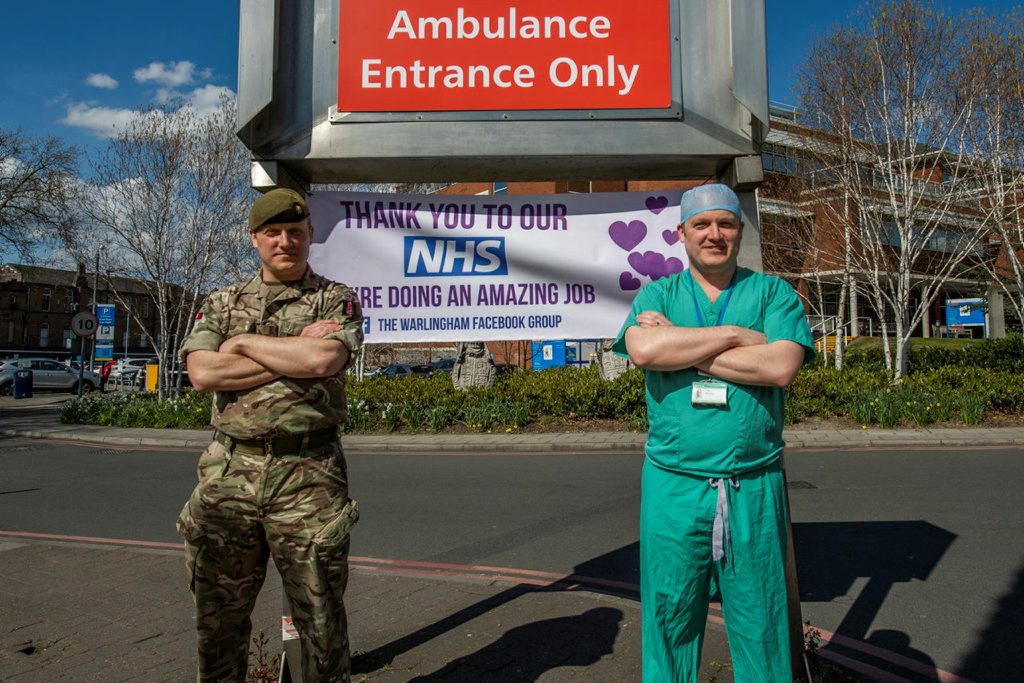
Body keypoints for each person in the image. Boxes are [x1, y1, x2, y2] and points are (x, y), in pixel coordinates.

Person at [613, 184, 814, 682]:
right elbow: (643, 352)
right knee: (669, 617)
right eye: (701, 225)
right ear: (682, 234)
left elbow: (781, 366)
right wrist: (736, 336)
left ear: (740, 232)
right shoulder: (658, 293)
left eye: (725, 224)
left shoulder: (771, 293)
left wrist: (680, 343)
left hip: (752, 486)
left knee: (761, 621)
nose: (714, 234)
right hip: (674, 487)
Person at [177, 187, 364, 682]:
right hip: (228, 476)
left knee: (321, 622)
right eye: (274, 233)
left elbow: (324, 359)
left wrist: (240, 346)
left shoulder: (334, 298)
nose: (286, 241)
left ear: (310, 235)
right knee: (217, 620)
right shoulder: (221, 303)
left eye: (295, 232)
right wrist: (288, 355)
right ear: (255, 239)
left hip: (310, 476)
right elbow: (203, 373)